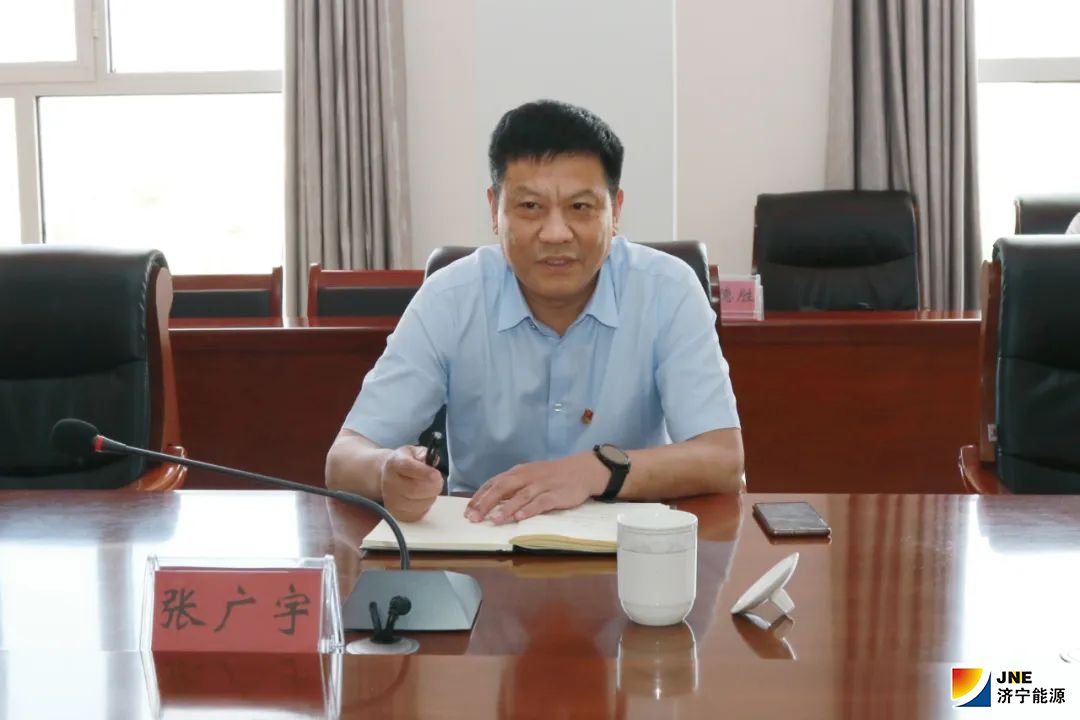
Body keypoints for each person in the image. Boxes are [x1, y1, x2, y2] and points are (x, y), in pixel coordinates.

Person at [325, 99, 743, 524]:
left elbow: (723, 459)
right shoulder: (449, 298)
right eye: (530, 207)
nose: (556, 233)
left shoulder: (668, 290)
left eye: (580, 207)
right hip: (483, 540)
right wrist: (387, 471)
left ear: (615, 211)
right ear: (494, 209)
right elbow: (344, 458)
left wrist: (595, 471)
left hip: (630, 543)